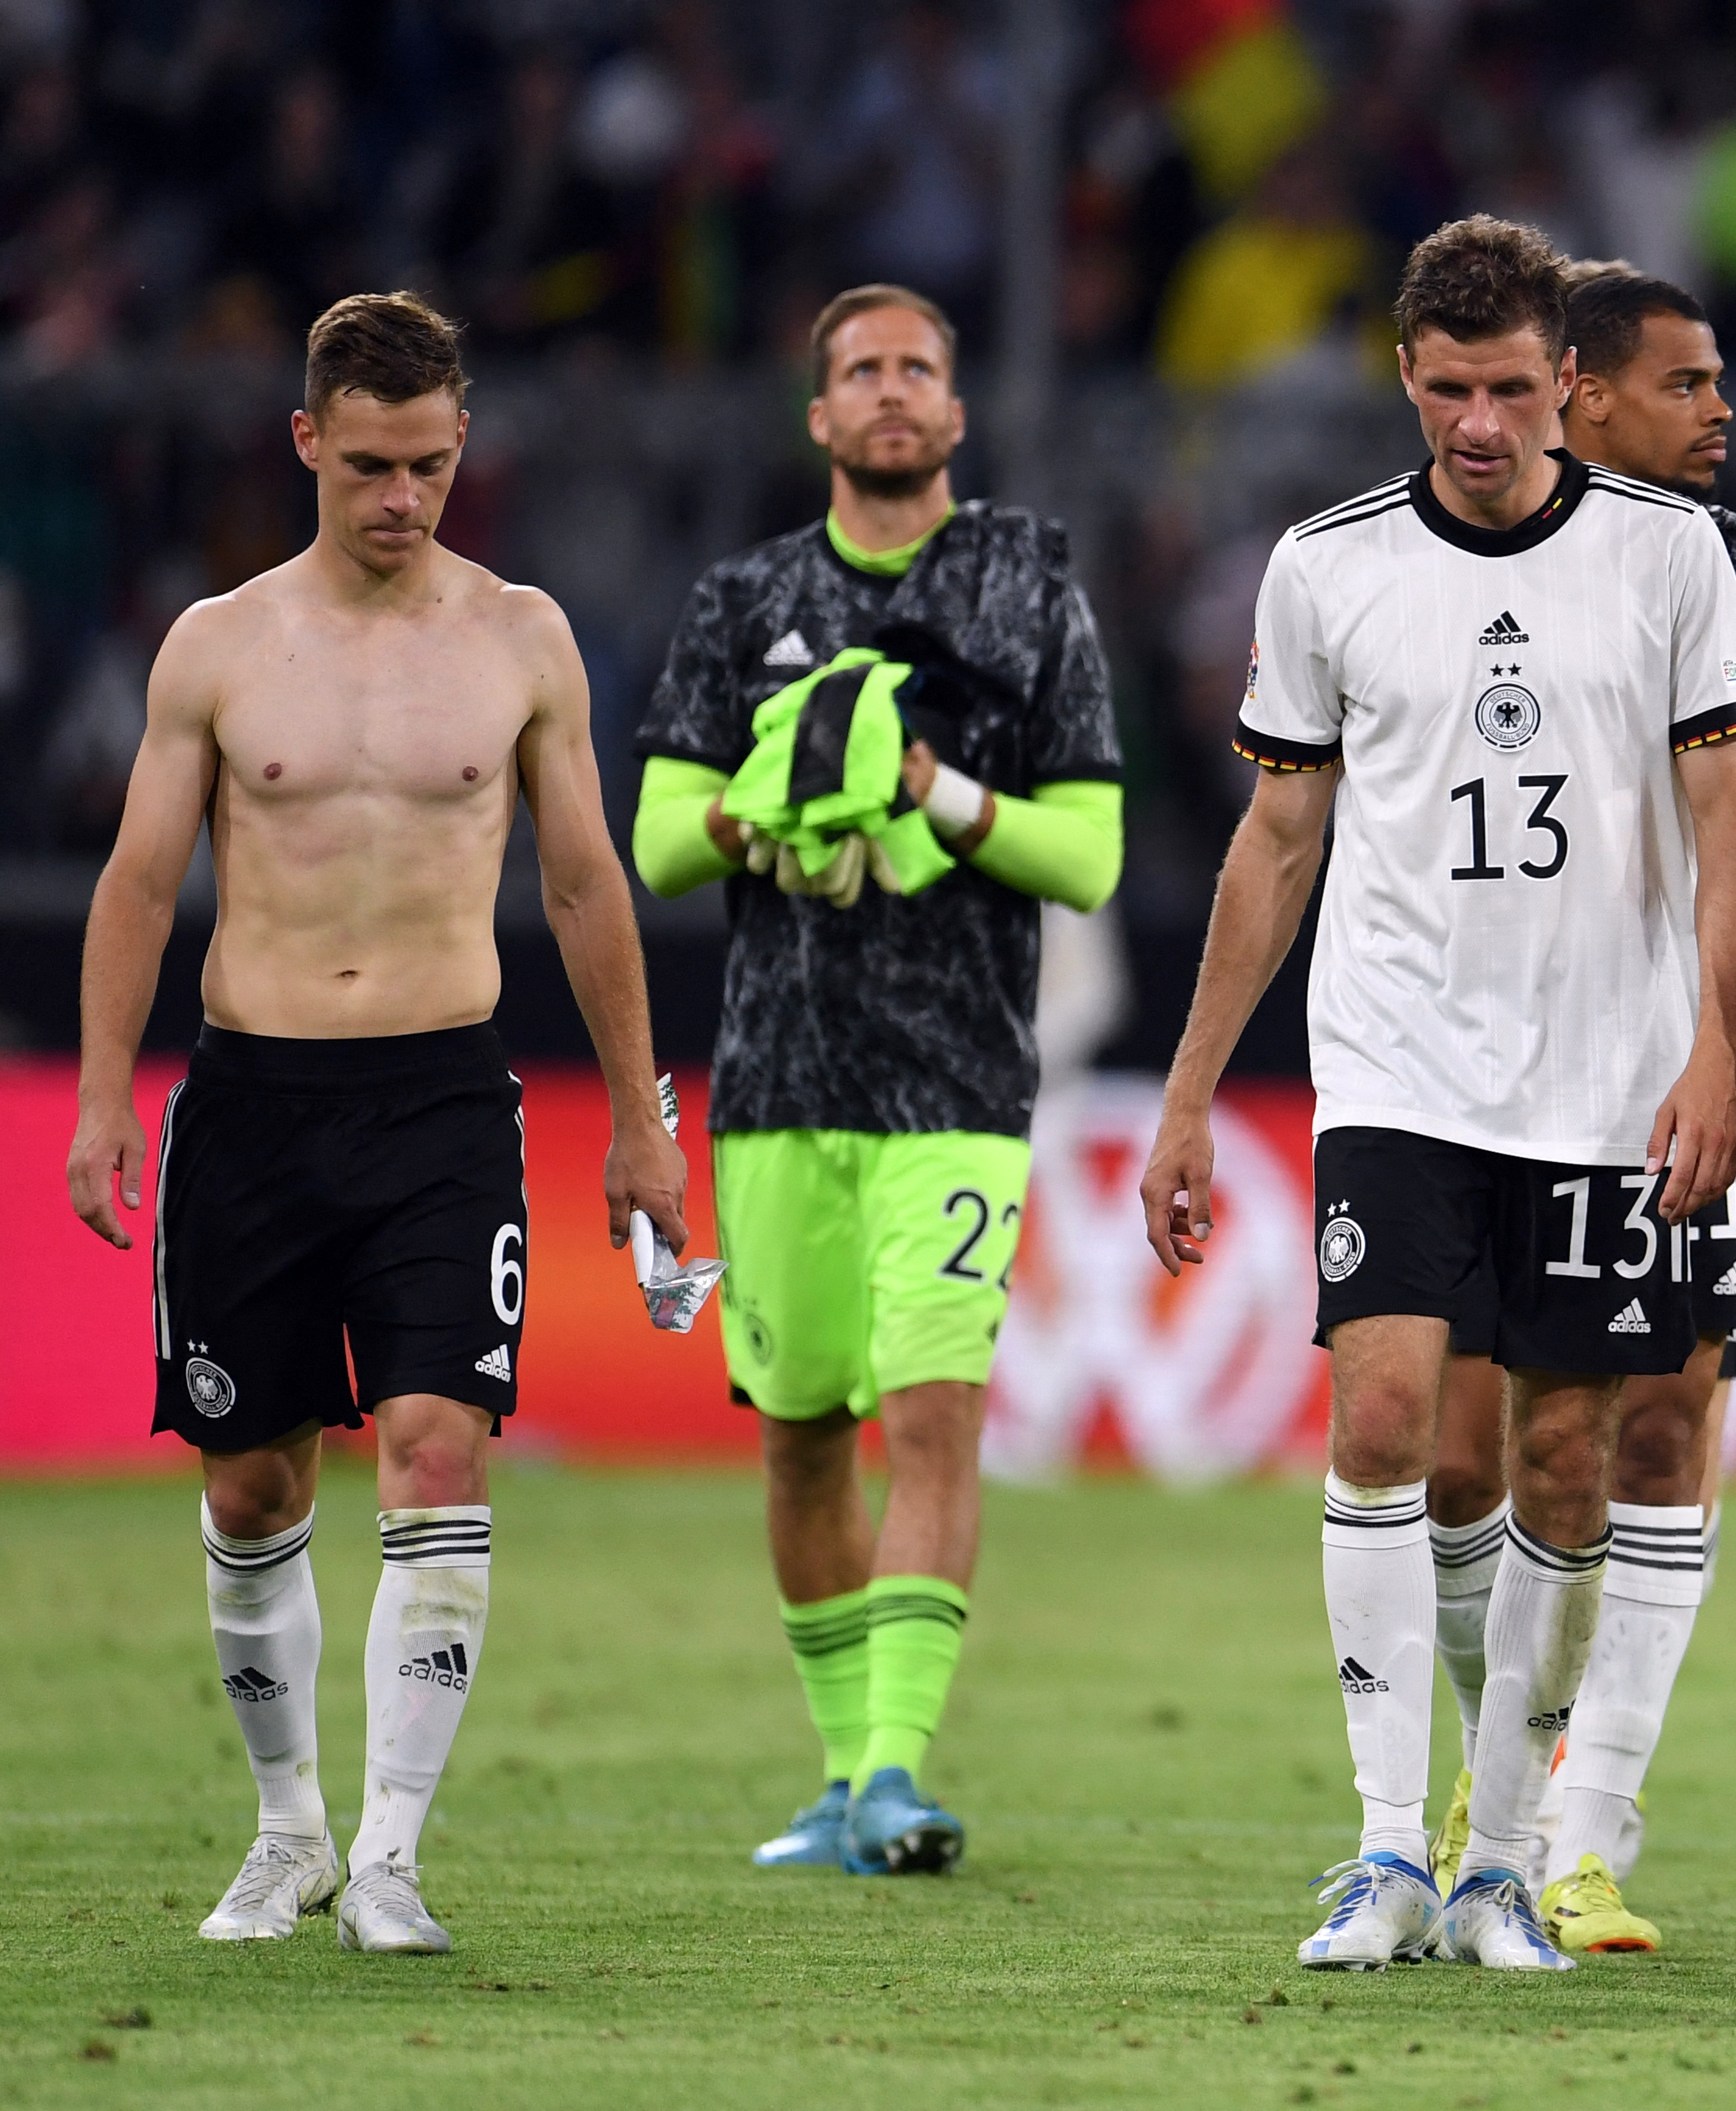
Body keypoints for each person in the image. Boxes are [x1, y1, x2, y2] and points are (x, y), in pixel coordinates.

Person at [1138, 216, 1736, 1973]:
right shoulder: (1327, 565)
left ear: (1566, 380)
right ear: (1402, 378)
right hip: (1399, 1062)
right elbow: (1277, 837)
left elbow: (1729, 822)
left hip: (1608, 1079)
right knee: (1389, 1423)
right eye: (1444, 391)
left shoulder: (1665, 558)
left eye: (1507, 390)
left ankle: (1502, 1857)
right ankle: (1379, 1847)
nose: (1477, 425)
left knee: (1564, 1449)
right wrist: (1190, 1095)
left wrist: (1718, 1050)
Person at [65, 291, 687, 1954]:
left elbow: (581, 879)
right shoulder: (212, 643)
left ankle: (394, 1849)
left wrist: (642, 1120)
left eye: (426, 464)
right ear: (305, 445)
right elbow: (138, 877)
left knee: (437, 1446)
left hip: (439, 1098)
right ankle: (288, 1830)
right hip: (253, 1097)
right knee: (256, 1485)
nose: (401, 497)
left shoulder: (520, 637)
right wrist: (104, 1093)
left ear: (462, 442)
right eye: (367, 467)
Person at [631, 285, 1124, 1879]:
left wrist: (934, 789)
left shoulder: (1029, 585)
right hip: (776, 1077)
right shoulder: (742, 598)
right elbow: (650, 843)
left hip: (958, 1077)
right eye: (861, 369)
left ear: (957, 413)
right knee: (795, 1430)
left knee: (932, 1416)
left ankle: (899, 1766)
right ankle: (843, 1778)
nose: (893, 391)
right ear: (821, 417)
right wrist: (755, 812)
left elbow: (1092, 856)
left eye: (920, 366)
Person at [1414, 261, 1736, 1957]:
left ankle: (1578, 1829)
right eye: (1684, 382)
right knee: (1454, 1453)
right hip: (1471, 1073)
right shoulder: (1430, 557)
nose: (1721, 407)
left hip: (1688, 1079)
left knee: (1654, 1429)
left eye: (1725, 377)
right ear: (1578, 391)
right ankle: (1476, 1776)